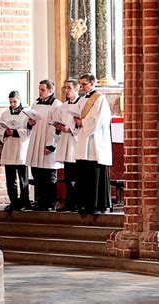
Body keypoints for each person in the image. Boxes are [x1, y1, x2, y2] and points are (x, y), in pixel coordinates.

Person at [74, 73, 112, 215]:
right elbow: (76, 115)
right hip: (83, 142)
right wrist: (75, 122)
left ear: (92, 83)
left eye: (84, 84)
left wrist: (82, 122)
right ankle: (84, 204)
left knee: (94, 173)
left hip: (95, 143)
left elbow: (99, 121)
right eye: (81, 84)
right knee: (83, 173)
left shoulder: (100, 99)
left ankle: (96, 204)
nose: (82, 87)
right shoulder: (82, 100)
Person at [25, 79, 63, 211]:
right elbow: (30, 120)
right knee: (37, 173)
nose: (40, 92)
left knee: (48, 175)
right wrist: (30, 122)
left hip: (47, 141)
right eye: (39, 89)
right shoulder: (36, 102)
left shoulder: (57, 105)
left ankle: (49, 203)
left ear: (50, 90)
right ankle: (40, 201)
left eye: (42, 90)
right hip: (36, 140)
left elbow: (56, 126)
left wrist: (51, 145)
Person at [0, 91, 31, 212]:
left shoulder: (26, 114)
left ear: (20, 100)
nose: (12, 104)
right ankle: (13, 202)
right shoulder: (5, 114)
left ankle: (24, 201)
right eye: (10, 102)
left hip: (21, 148)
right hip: (9, 148)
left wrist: (15, 132)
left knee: (23, 178)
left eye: (14, 101)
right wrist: (6, 132)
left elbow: (29, 131)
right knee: (10, 178)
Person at [53, 79, 81, 212]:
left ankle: (77, 203)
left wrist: (70, 129)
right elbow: (57, 119)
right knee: (68, 177)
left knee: (76, 177)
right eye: (65, 88)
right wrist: (57, 126)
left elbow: (84, 123)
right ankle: (69, 203)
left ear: (77, 89)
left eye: (69, 88)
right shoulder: (63, 106)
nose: (66, 90)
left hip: (75, 143)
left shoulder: (82, 104)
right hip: (65, 142)